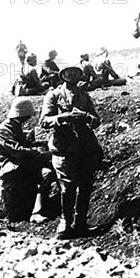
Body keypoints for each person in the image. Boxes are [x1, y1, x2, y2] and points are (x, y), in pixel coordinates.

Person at [40, 66, 103, 239]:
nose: (73, 75)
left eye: (76, 72)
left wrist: (86, 117)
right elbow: (44, 121)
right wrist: (63, 117)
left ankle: (80, 222)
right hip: (64, 148)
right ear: (63, 76)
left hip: (85, 147)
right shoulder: (53, 95)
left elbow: (96, 120)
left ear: (80, 75)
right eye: (69, 72)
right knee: (67, 188)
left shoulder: (84, 95)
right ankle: (65, 223)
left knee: (86, 185)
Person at [0, 97, 57, 223]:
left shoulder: (15, 126)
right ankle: (36, 212)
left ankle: (38, 210)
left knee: (47, 171)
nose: (29, 118)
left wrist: (39, 144)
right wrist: (36, 152)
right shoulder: (3, 129)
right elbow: (16, 151)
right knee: (49, 157)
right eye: (27, 115)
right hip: (11, 166)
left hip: (21, 164)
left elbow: (25, 144)